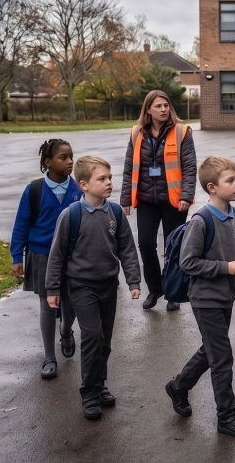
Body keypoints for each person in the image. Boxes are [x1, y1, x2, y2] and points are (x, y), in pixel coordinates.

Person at [45, 156, 142, 420]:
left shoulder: (115, 213)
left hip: (108, 286)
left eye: (110, 177)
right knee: (91, 337)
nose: (109, 182)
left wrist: (133, 280)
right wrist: (53, 289)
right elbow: (56, 255)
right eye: (102, 179)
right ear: (84, 185)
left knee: (105, 341)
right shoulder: (71, 215)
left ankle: (99, 385)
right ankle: (88, 393)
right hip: (80, 286)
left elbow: (127, 249)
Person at [165, 156, 235, 437]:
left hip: (227, 296)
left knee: (211, 350)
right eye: (231, 180)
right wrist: (224, 267)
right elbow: (187, 262)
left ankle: (178, 386)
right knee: (222, 356)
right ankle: (227, 416)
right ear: (212, 187)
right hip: (205, 299)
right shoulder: (201, 221)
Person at [10, 139, 82, 380]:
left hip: (72, 257)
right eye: (63, 157)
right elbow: (21, 224)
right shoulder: (35, 190)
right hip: (41, 255)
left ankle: (66, 330)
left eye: (71, 156)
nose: (70, 161)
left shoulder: (79, 191)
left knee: (70, 301)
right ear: (47, 162)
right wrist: (16, 256)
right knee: (47, 305)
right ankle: (49, 357)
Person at [121, 90, 197, 311]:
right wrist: (126, 197)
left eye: (166, 105)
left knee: (174, 247)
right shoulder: (136, 134)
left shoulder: (182, 132)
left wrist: (186, 196)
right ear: (148, 109)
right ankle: (155, 289)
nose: (164, 109)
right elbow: (129, 168)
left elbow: (190, 167)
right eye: (158, 106)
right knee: (145, 244)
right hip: (146, 199)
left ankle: (174, 292)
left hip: (174, 200)